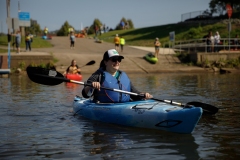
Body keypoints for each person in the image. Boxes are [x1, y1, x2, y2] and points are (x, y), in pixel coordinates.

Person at [82, 49, 152, 103]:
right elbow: (85, 94)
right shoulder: (98, 75)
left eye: (119, 60)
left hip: (125, 106)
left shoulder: (123, 75)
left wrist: (143, 95)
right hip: (104, 107)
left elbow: (133, 93)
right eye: (114, 60)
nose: (117, 62)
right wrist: (91, 86)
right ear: (105, 62)